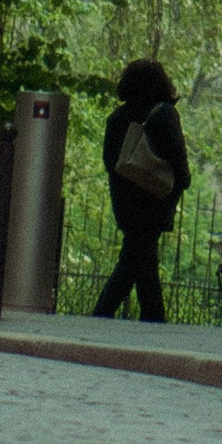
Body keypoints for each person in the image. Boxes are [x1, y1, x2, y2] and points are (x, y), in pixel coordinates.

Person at [96, 57, 191, 322]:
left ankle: (154, 317)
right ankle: (101, 314)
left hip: (125, 199)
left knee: (142, 256)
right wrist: (182, 182)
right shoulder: (164, 114)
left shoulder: (117, 117)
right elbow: (176, 156)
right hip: (154, 197)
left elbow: (109, 160)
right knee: (134, 260)